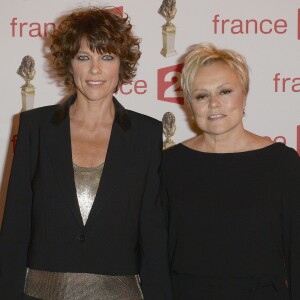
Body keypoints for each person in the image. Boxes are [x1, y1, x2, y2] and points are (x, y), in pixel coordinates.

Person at [0, 7, 172, 300]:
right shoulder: (34, 127)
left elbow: (152, 234)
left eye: (106, 57)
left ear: (121, 64)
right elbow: (16, 226)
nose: (95, 69)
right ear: (70, 63)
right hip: (41, 293)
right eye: (84, 57)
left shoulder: (146, 134)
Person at [162, 42, 300, 299]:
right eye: (202, 95)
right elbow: (155, 255)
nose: (214, 104)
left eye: (225, 91)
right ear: (190, 104)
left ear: (244, 95)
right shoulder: (169, 165)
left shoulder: (283, 164)